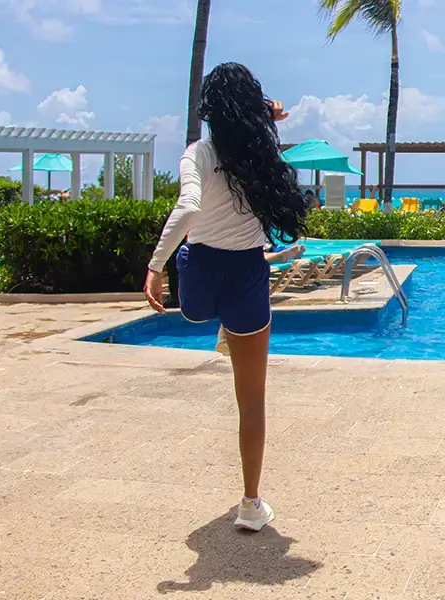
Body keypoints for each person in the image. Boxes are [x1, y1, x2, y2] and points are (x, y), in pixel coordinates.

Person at [143, 63, 309, 531]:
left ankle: (216, 322)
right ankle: (251, 504)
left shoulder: (199, 152)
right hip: (247, 274)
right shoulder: (259, 157)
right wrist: (267, 115)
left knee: (197, 311)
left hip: (200, 276)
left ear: (208, 108)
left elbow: (189, 205)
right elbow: (272, 115)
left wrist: (157, 265)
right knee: (251, 399)